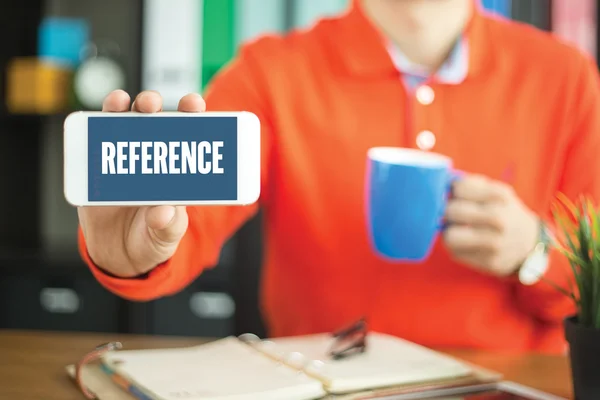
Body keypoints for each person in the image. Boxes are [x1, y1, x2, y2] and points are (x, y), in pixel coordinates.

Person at [77, 0, 600, 354]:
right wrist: (136, 253)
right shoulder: (269, 72)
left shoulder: (568, 78)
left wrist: (534, 252)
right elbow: (188, 222)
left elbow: (591, 284)